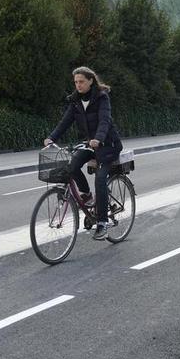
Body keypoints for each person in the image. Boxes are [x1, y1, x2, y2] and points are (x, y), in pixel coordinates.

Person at [45, 67, 123, 240]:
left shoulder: (102, 98)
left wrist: (99, 138)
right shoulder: (75, 101)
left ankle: (102, 224)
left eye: (81, 81)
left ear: (90, 81)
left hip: (108, 144)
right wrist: (51, 138)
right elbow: (64, 122)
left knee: (100, 178)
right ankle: (86, 196)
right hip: (90, 145)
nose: (78, 85)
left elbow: (104, 120)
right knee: (71, 166)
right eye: (75, 82)